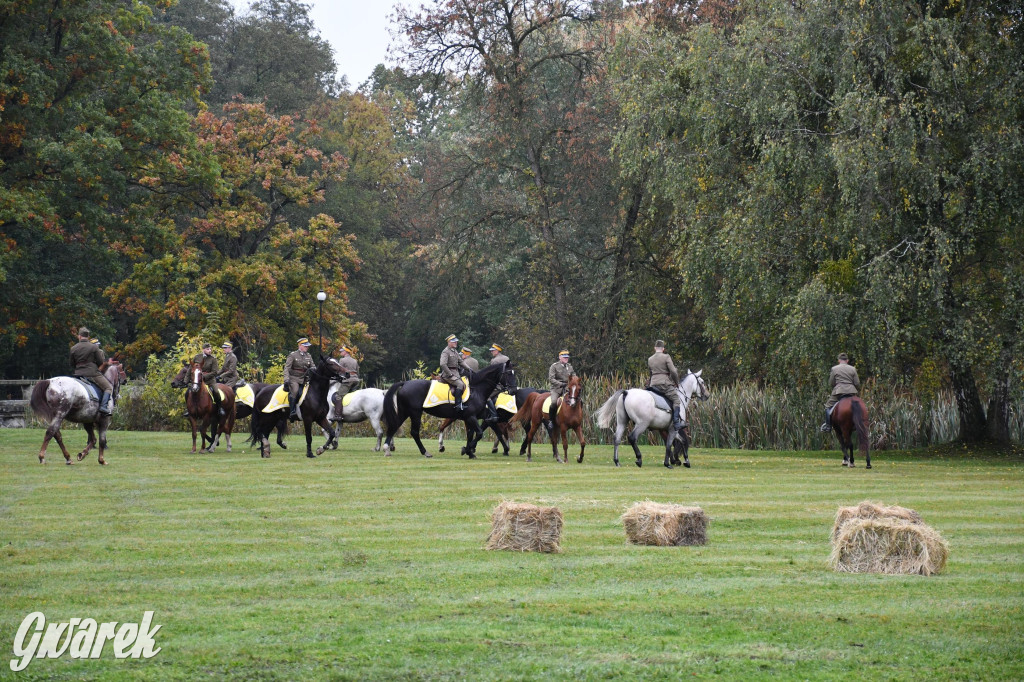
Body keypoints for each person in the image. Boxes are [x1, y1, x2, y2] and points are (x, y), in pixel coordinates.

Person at [70, 327, 112, 415]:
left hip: (78, 373)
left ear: (79, 336)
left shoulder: (73, 348)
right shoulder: (94, 347)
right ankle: (103, 407)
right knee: (108, 388)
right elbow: (100, 362)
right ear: (88, 337)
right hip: (92, 373)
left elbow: (72, 364)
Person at [648, 340, 684, 432]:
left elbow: (651, 373)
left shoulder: (650, 359)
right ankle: (676, 422)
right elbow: (673, 371)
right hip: (664, 384)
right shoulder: (666, 357)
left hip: (653, 384)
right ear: (663, 349)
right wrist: (676, 382)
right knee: (676, 399)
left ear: (655, 348)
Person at [821, 353, 861, 432]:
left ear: (839, 360)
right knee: (860, 407)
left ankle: (828, 426)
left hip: (839, 392)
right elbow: (857, 383)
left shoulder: (834, 369)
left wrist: (836, 387)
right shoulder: (853, 369)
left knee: (827, 406)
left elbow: (831, 383)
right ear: (847, 360)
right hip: (851, 391)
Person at [284, 337, 316, 422]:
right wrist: (286, 379)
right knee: (295, 390)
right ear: (300, 345)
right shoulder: (293, 355)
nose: (307, 347)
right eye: (305, 346)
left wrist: (313, 369)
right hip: (294, 378)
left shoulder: (308, 356)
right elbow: (287, 368)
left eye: (307, 346)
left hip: (305, 379)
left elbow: (313, 366)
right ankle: (292, 411)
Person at [192, 342, 224, 417]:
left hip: (210, 380)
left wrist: (204, 376)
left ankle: (220, 408)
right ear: (203, 350)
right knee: (190, 391)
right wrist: (186, 380)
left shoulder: (213, 359)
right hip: (198, 380)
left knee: (216, 391)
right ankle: (189, 409)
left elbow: (215, 372)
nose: (210, 350)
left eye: (210, 349)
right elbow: (191, 368)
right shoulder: (197, 357)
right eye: (207, 349)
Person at [482, 343, 509, 427]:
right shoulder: (506, 358)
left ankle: (494, 415)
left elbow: (492, 375)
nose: (491, 352)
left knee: (487, 397)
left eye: (493, 351)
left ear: (497, 351)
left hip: (498, 385)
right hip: (507, 384)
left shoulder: (494, 361)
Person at [547, 350, 576, 425]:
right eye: (564, 357)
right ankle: (551, 420)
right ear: (560, 357)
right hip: (557, 389)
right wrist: (561, 384)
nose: (566, 359)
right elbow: (551, 379)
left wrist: (576, 381)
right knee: (553, 402)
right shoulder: (554, 366)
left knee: (578, 400)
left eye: (567, 357)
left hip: (567, 389)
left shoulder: (570, 367)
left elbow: (574, 376)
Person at [439, 334, 467, 411]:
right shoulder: (445, 351)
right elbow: (442, 364)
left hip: (456, 373)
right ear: (449, 342)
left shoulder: (455, 351)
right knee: (460, 384)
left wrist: (469, 369)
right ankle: (458, 405)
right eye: (454, 342)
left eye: (456, 341)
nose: (456, 343)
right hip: (448, 375)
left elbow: (461, 362)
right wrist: (450, 374)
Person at [332, 345, 361, 420]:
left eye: (342, 351)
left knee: (338, 396)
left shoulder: (342, 360)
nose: (341, 352)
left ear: (346, 352)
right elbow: (357, 372)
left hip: (348, 381)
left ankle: (338, 415)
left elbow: (339, 371)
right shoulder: (355, 360)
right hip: (356, 380)